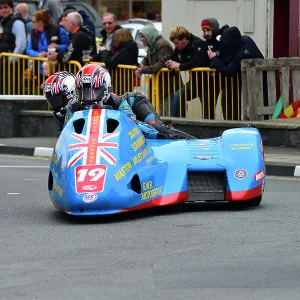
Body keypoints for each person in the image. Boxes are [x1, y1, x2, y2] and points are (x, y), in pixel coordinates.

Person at [75, 63, 195, 139]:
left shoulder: (118, 101)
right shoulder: (74, 106)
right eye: (84, 92)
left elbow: (132, 126)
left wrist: (158, 135)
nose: (89, 97)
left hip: (135, 103)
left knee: (157, 128)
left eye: (95, 91)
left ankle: (192, 141)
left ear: (106, 88)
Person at [208, 26, 264, 120]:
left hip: (256, 84)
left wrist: (214, 59)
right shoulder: (245, 40)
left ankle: (233, 124)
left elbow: (230, 71)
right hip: (249, 82)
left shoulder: (242, 53)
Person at [165, 26, 211, 118]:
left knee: (207, 112)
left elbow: (198, 62)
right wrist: (169, 63)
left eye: (176, 43)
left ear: (184, 39)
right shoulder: (179, 48)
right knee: (178, 96)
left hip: (208, 83)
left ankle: (210, 132)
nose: (176, 46)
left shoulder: (198, 44)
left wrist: (179, 65)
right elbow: (175, 58)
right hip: (194, 82)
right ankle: (178, 125)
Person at [134, 24, 179, 116]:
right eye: (140, 37)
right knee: (160, 111)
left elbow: (162, 64)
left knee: (168, 112)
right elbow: (147, 58)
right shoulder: (153, 44)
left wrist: (142, 69)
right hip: (161, 85)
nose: (141, 39)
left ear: (149, 35)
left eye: (143, 36)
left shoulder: (161, 44)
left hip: (168, 85)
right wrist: (141, 65)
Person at [26, 9, 69, 74]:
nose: (32, 24)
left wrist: (58, 47)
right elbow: (28, 49)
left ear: (40, 22)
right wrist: (38, 54)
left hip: (55, 69)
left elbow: (69, 46)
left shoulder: (57, 30)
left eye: (34, 22)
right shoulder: (33, 32)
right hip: (38, 70)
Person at [44, 71, 81, 135]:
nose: (55, 104)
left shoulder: (83, 107)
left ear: (72, 92)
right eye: (52, 100)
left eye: (58, 99)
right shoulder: (59, 115)